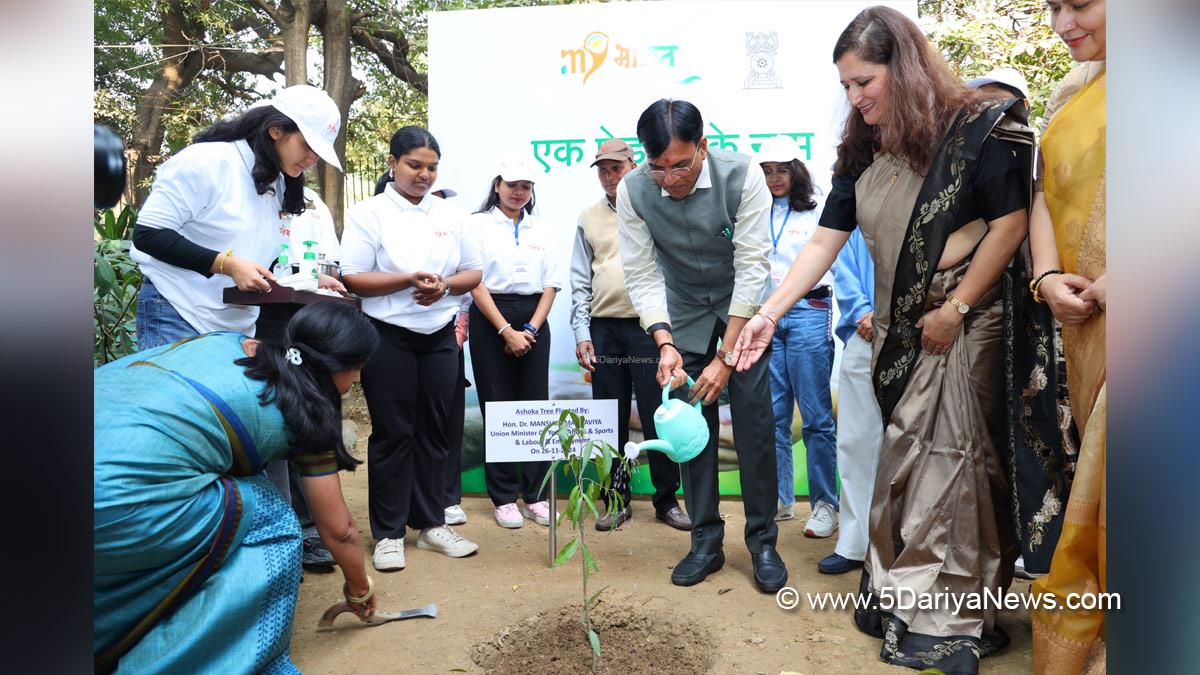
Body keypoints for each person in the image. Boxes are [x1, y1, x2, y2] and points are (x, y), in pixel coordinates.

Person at [732, 7, 1032, 671]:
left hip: (965, 322)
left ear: (903, 67)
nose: (855, 96)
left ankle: (949, 622)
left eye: (864, 81)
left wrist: (955, 306)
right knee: (907, 464)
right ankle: (905, 597)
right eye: (845, 85)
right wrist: (769, 312)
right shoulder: (863, 147)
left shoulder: (979, 130)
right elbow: (824, 239)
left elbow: (1010, 225)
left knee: (955, 467)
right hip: (905, 332)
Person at [94, 303, 379, 673]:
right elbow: (339, 530)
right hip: (111, 498)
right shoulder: (306, 415)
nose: (357, 380)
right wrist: (360, 589)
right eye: (357, 369)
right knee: (269, 517)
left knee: (225, 497)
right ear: (337, 367)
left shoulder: (228, 342)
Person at [617, 98, 786, 594]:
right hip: (684, 309)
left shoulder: (743, 175)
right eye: (658, 168)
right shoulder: (633, 189)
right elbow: (642, 271)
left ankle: (763, 542)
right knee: (690, 429)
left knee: (755, 423)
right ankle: (705, 542)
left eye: (681, 165)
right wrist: (663, 342)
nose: (670, 179)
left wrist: (726, 356)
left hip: (743, 310)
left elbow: (754, 264)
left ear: (704, 146)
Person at [341, 126, 484, 571]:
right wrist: (407, 280)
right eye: (415, 165)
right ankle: (388, 533)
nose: (424, 175)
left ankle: (430, 523)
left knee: (435, 430)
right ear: (393, 163)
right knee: (393, 432)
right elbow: (352, 275)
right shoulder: (370, 213)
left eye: (432, 167)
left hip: (439, 334)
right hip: (387, 334)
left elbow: (473, 272)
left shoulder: (452, 215)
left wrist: (443, 286)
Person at [131, 84, 344, 349]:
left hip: (236, 324)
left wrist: (306, 280)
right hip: (176, 310)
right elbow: (148, 234)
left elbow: (259, 258)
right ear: (276, 130)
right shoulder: (208, 162)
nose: (312, 159)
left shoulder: (277, 181)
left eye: (319, 153)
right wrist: (228, 266)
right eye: (307, 145)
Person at [1028, 2, 1107, 672]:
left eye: (1079, 3)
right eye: (1051, 5)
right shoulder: (1071, 92)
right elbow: (1042, 201)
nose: (1061, 22)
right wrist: (1047, 274)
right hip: (1087, 327)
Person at [570, 139, 690, 532]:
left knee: (660, 414)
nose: (609, 176)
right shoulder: (588, 216)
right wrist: (582, 330)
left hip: (649, 329)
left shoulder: (655, 204)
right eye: (603, 170)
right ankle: (616, 499)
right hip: (605, 329)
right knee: (610, 418)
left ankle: (666, 499)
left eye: (616, 168)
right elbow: (579, 279)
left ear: (633, 165)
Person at [467, 159, 562, 529]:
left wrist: (531, 330)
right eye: (512, 184)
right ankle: (504, 497)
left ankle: (535, 495)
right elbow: (475, 282)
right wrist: (506, 331)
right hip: (491, 314)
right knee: (498, 407)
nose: (518, 192)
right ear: (497, 185)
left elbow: (551, 284)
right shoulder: (477, 224)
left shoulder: (543, 227)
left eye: (526, 185)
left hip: (534, 313)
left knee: (535, 407)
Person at [753, 136, 839, 536]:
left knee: (817, 418)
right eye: (767, 171)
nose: (774, 178)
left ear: (796, 171)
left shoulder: (817, 212)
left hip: (808, 310)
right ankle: (781, 498)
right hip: (765, 317)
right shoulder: (752, 213)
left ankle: (824, 504)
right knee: (772, 418)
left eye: (781, 170)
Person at [820, 228, 881, 575]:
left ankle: (902, 547)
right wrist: (863, 313)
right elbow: (844, 269)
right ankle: (854, 545)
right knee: (856, 441)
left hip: (922, 334)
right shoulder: (855, 215)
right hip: (863, 332)